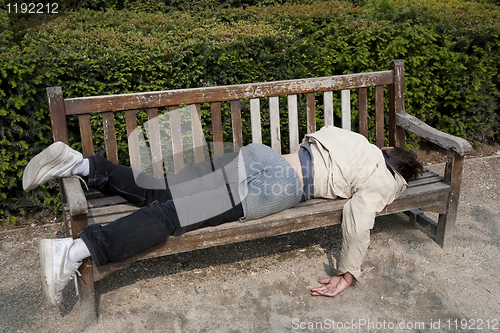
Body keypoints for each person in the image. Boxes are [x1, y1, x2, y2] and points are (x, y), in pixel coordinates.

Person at [23, 125, 423, 305]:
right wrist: (349, 272)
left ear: (388, 149)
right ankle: (73, 252)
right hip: (276, 184)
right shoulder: (385, 177)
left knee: (161, 188)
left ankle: (81, 165)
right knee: (171, 216)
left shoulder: (359, 142)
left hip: (259, 155)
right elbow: (359, 216)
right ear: (398, 168)